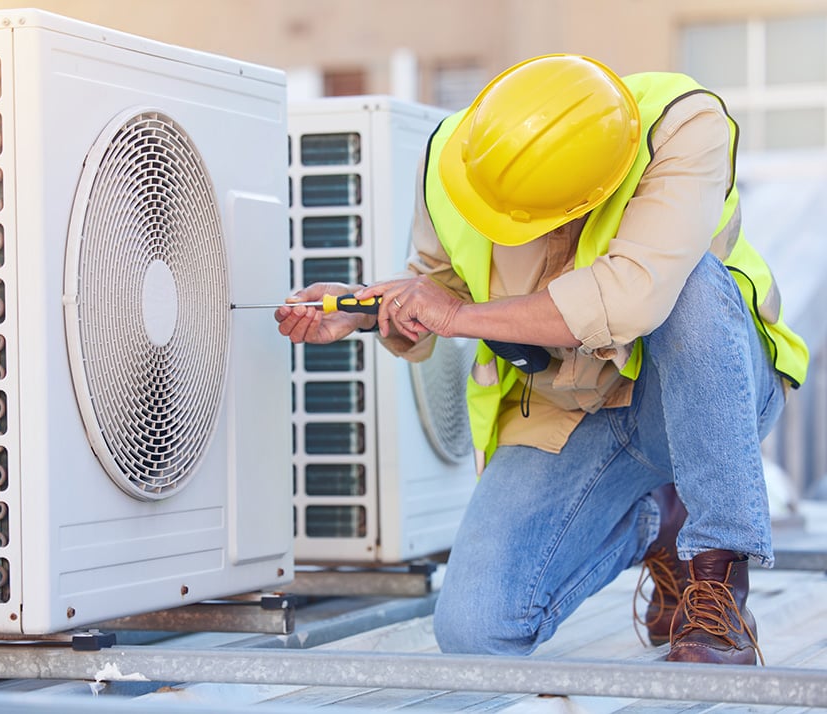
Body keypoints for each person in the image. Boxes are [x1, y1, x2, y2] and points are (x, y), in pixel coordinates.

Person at [276, 54, 809, 665]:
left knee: (691, 285)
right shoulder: (459, 156)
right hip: (571, 409)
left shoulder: (680, 127)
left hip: (698, 395)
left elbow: (631, 296)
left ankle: (715, 575)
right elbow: (440, 285)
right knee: (476, 634)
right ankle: (656, 525)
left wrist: (459, 318)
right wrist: (367, 308)